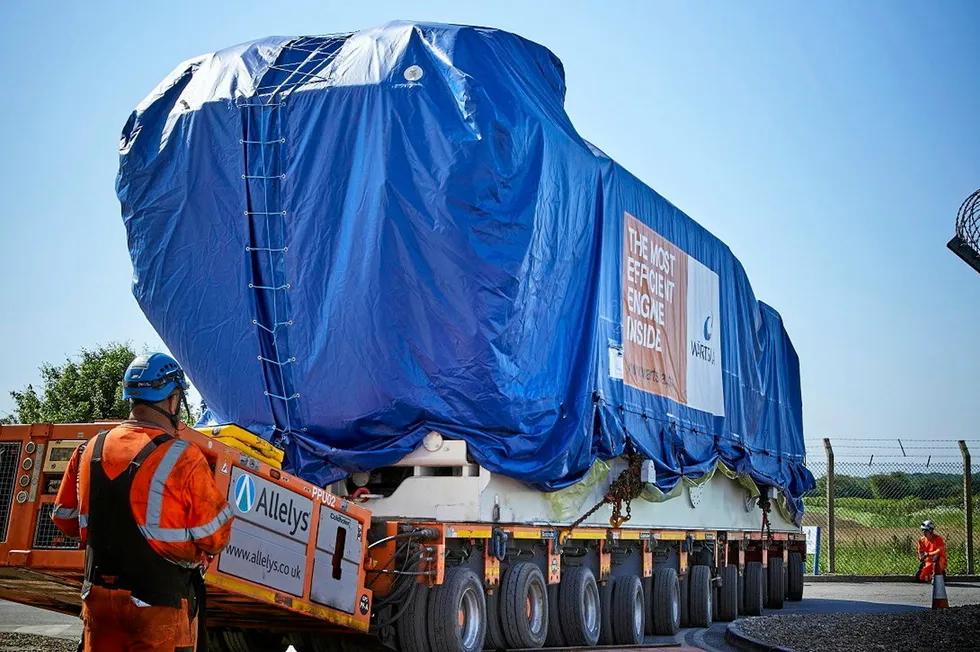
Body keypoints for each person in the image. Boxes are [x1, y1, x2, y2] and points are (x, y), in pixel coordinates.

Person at [52, 353, 234, 651]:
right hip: (158, 602)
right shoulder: (183, 457)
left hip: (98, 599)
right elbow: (214, 537)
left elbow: (65, 519)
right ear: (172, 400)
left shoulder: (89, 449)